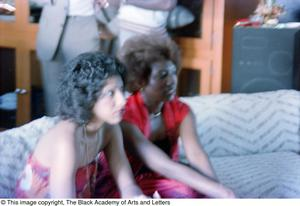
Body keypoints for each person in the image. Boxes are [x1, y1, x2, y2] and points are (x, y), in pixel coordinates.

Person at [95, 35, 236, 198]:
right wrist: (219, 191)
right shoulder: (125, 116)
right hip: (127, 184)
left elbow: (196, 155)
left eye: (173, 73)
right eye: (162, 75)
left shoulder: (182, 110)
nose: (171, 81)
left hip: (162, 177)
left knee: (196, 191)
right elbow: (161, 164)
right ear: (141, 81)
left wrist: (217, 190)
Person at [15, 52, 145, 198]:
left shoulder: (110, 129)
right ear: (86, 97)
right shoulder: (66, 141)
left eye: (121, 90)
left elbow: (127, 184)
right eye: (110, 93)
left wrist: (138, 199)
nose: (122, 101)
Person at [35, 0, 109, 115]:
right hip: (51, 27)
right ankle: (56, 130)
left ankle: (83, 132)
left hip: (86, 25)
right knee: (53, 95)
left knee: (84, 92)